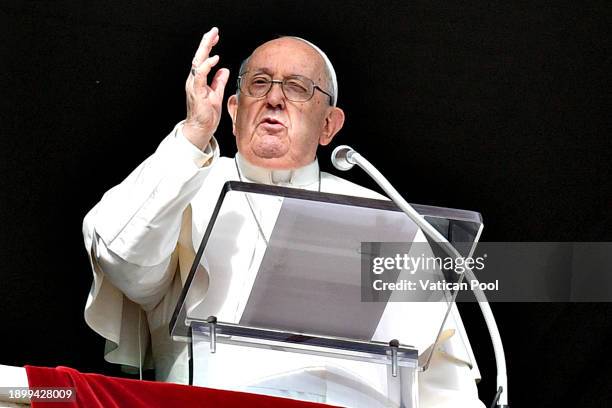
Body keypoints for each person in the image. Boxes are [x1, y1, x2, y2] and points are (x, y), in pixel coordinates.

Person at [82, 27, 484, 407]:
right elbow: (121, 260)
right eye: (260, 83)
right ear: (234, 109)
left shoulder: (385, 215)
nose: (275, 98)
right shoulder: (184, 182)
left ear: (329, 125)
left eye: (297, 87)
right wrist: (194, 132)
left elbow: (443, 376)